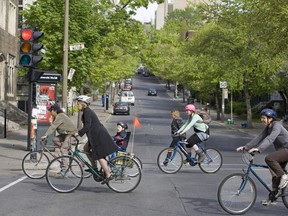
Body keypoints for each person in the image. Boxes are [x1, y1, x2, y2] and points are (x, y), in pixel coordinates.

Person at [236, 108, 288, 206]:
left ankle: (284, 176)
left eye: (263, 118)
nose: (262, 120)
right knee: (275, 175)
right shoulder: (268, 127)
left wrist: (259, 149)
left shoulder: (277, 126)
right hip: (282, 151)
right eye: (261, 118)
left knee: (269, 159)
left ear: (270, 118)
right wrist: (246, 147)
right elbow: (259, 137)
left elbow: (270, 138)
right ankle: (273, 198)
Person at [74, 95, 119, 185]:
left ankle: (108, 174)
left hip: (98, 135)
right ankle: (94, 168)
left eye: (78, 103)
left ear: (83, 104)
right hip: (94, 136)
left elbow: (87, 126)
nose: (76, 105)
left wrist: (78, 133)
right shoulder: (86, 111)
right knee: (86, 149)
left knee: (99, 155)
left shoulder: (87, 112)